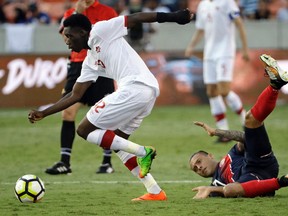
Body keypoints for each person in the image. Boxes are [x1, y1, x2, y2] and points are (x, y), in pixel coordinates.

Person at [28, 8, 193, 201]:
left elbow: (136, 17)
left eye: (69, 36)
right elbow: (75, 94)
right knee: (119, 144)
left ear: (82, 32)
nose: (66, 41)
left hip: (135, 87)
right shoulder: (90, 62)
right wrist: (44, 113)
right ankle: (155, 191)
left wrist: (175, 17)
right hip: (146, 93)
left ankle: (143, 151)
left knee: (83, 130)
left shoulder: (100, 30)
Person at [189, 54, 288, 199]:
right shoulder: (214, 185)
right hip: (247, 182)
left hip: (259, 161)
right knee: (229, 190)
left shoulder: (230, 156)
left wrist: (216, 132)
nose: (199, 168)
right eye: (195, 169)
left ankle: (275, 84)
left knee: (250, 120)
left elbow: (244, 138)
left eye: (198, 162)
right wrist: (209, 190)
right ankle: (282, 181)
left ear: (210, 155)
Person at [45, 0, 118, 175]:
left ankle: (106, 162)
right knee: (68, 112)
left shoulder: (107, 12)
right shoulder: (71, 12)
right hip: (78, 66)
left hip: (101, 67)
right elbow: (65, 37)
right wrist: (77, 14)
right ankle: (65, 162)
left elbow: (115, 38)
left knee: (105, 113)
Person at [184, 0, 249, 143]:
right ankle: (223, 132)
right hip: (209, 54)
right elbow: (201, 29)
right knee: (212, 92)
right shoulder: (202, 5)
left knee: (224, 91)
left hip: (225, 52)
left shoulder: (227, 2)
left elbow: (239, 23)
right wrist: (191, 46)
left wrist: (244, 48)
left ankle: (245, 119)